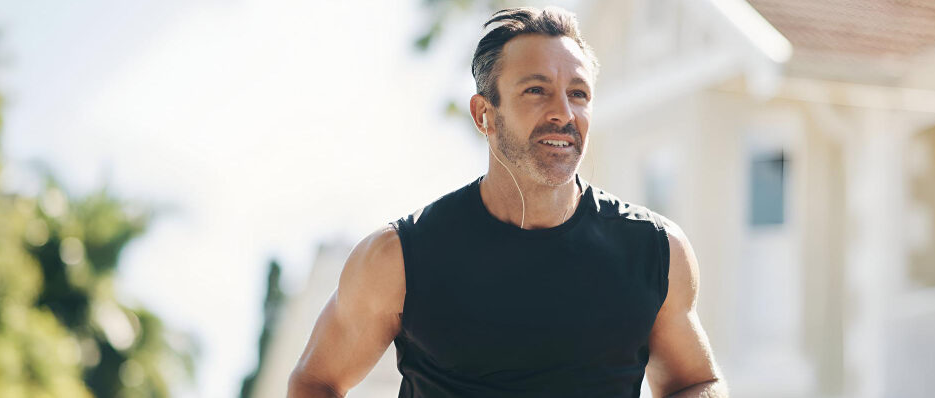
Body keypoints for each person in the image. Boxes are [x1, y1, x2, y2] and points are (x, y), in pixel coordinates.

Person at [288, 6, 726, 398]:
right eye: (536, 90)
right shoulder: (399, 256)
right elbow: (316, 382)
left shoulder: (654, 250)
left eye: (578, 93)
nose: (564, 113)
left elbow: (696, 382)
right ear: (484, 114)